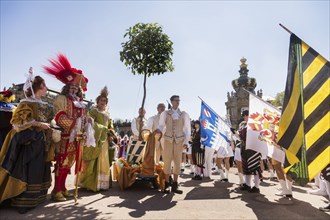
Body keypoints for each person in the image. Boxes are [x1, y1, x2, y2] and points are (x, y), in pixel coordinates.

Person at [0, 70, 53, 213]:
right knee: (28, 169)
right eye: (44, 85)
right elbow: (18, 123)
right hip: (28, 141)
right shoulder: (25, 103)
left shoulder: (44, 104)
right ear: (38, 87)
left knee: (39, 169)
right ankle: (23, 201)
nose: (46, 87)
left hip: (41, 141)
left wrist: (49, 126)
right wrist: (38, 124)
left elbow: (47, 120)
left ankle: (36, 198)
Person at [43, 53, 92, 202]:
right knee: (61, 163)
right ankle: (56, 190)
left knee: (69, 164)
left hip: (76, 138)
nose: (74, 90)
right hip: (65, 136)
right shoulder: (61, 98)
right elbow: (59, 116)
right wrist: (73, 125)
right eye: (71, 87)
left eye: (76, 88)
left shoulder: (81, 104)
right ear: (67, 87)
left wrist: (87, 122)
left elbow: (82, 118)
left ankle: (63, 188)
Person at [79, 86, 117, 192]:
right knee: (94, 159)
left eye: (104, 101)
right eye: (101, 100)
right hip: (96, 139)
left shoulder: (108, 114)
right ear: (98, 101)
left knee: (103, 159)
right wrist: (100, 127)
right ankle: (91, 183)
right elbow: (89, 122)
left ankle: (102, 184)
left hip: (104, 140)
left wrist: (112, 133)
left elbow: (111, 126)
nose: (103, 102)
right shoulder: (94, 111)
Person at [156, 95, 191, 194]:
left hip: (179, 140)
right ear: (172, 102)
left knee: (177, 162)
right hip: (167, 139)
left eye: (179, 100)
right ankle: (167, 184)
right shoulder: (165, 113)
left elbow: (187, 129)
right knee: (167, 161)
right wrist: (158, 132)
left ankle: (175, 184)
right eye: (176, 100)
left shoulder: (184, 114)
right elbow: (161, 125)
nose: (178, 102)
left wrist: (186, 142)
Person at [239, 110, 262, 193]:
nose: (244, 117)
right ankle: (248, 185)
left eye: (245, 115)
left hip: (253, 149)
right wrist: (234, 133)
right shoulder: (244, 126)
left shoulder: (255, 125)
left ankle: (256, 187)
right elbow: (241, 138)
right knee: (246, 168)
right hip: (244, 148)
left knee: (255, 167)